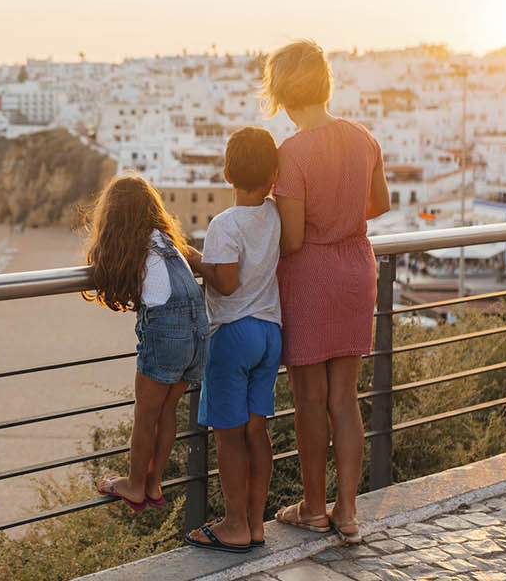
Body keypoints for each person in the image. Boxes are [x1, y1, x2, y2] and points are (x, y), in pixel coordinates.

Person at [265, 40, 391, 544]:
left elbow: (292, 238)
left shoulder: (290, 153)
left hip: (310, 276)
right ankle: (349, 512)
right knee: (346, 398)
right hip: (356, 270)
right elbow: (378, 203)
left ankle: (314, 508)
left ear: (282, 91)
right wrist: (342, 216)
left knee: (308, 399)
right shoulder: (362, 137)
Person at [180, 127, 282, 552]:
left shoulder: (224, 224)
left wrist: (193, 258)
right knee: (257, 432)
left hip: (233, 334)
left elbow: (225, 283)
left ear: (226, 173)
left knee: (228, 436)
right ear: (274, 175)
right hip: (269, 331)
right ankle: (256, 523)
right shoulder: (276, 214)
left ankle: (234, 524)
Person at [83, 174, 209, 512]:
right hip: (199, 330)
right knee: (166, 411)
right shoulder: (165, 239)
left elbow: (110, 276)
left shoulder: (129, 245)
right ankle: (154, 483)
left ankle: (135, 484)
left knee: (145, 414)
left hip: (168, 332)